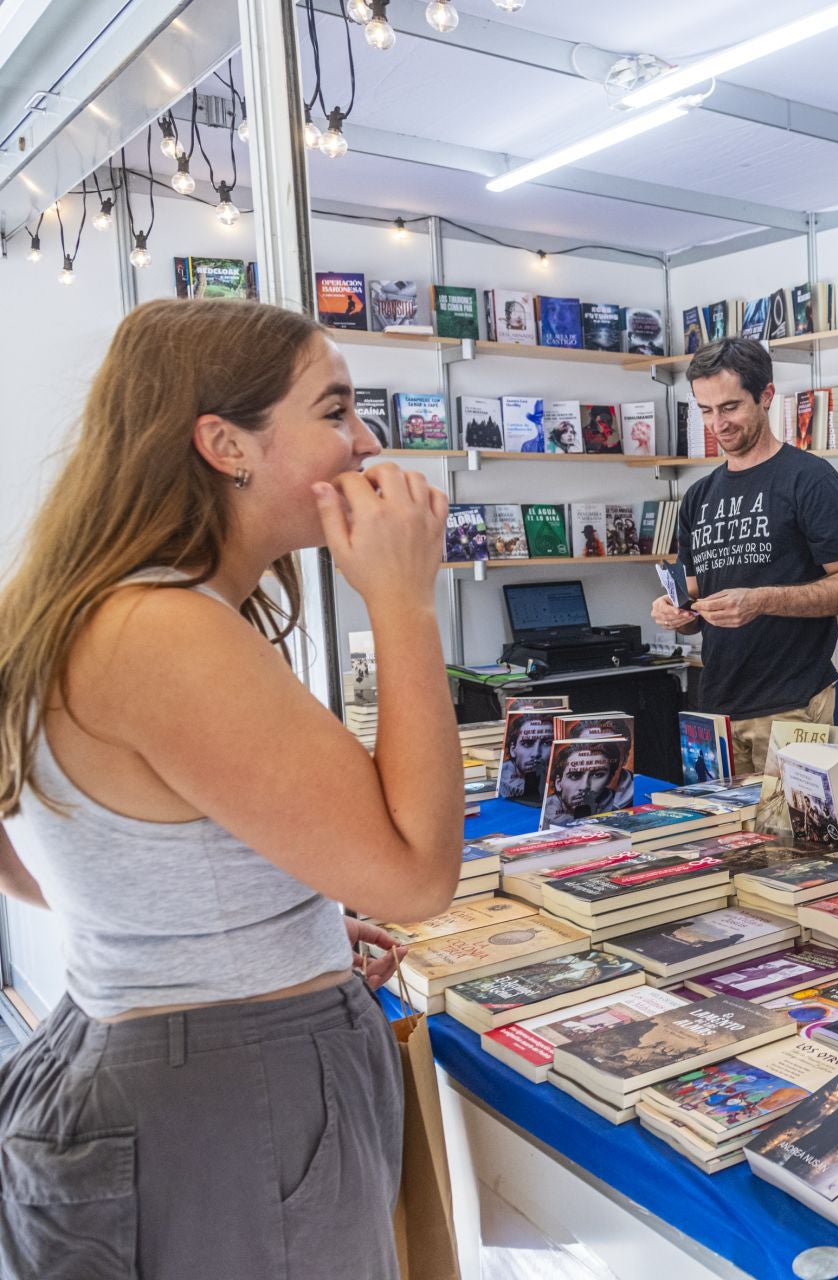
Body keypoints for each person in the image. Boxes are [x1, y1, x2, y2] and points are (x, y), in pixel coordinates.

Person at [0, 299, 463, 1276]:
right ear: (225, 443)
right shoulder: (161, 629)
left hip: (175, 1071)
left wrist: (261, 928)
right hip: (222, 1100)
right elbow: (418, 874)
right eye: (334, 408)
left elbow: (51, 863)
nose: (365, 439)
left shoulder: (106, 605)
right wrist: (402, 598)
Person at [651, 338, 838, 775]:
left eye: (731, 407)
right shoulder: (698, 497)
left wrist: (759, 601)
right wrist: (674, 610)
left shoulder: (809, 479)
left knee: (794, 843)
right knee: (719, 843)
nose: (718, 423)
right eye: (705, 410)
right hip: (716, 712)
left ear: (766, 396)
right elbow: (693, 593)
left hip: (794, 709)